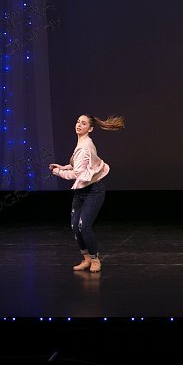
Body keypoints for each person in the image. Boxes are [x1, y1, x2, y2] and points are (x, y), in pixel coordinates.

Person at [50, 114, 124, 272]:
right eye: (78, 122)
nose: (79, 125)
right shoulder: (81, 143)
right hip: (81, 191)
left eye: (83, 123)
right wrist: (63, 167)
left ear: (90, 129)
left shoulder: (85, 146)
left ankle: (95, 259)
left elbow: (77, 174)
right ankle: (86, 259)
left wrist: (58, 172)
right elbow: (78, 166)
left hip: (93, 191)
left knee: (83, 226)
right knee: (75, 226)